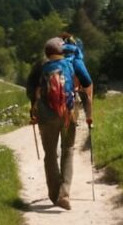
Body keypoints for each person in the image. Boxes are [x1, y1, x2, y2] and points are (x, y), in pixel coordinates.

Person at [29, 36, 93, 210]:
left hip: (46, 115)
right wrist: (88, 112)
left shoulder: (40, 66)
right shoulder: (71, 63)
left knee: (50, 154)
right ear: (62, 51)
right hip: (68, 114)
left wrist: (33, 110)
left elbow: (30, 89)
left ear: (47, 52)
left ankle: (54, 193)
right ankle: (64, 193)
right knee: (68, 150)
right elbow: (87, 82)